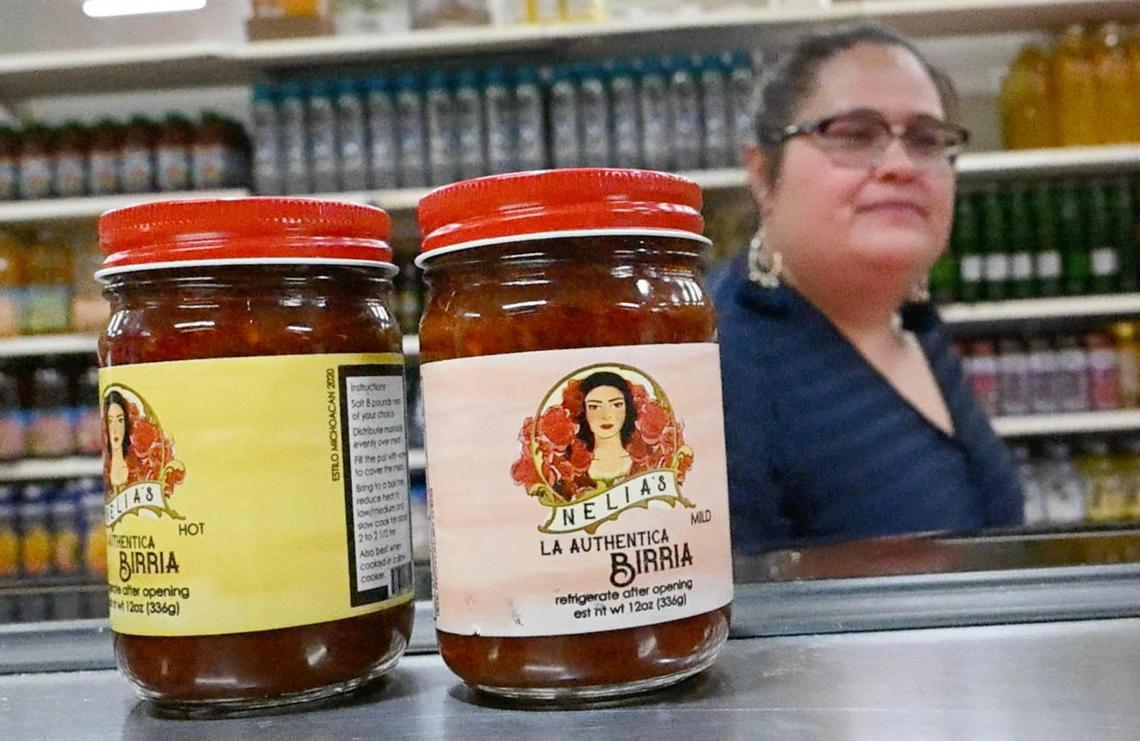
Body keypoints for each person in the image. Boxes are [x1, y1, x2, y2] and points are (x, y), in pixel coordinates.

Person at [713, 24, 1023, 554]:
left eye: (926, 139)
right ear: (763, 175)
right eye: (854, 134)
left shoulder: (909, 319)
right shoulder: (713, 361)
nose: (901, 166)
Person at [576, 371, 637, 485]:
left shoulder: (644, 460)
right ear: (583, 412)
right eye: (594, 407)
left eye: (616, 405)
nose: (606, 415)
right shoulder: (571, 466)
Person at [104, 390, 132, 491]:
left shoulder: (135, 466)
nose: (115, 429)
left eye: (120, 420)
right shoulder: (107, 467)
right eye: (110, 421)